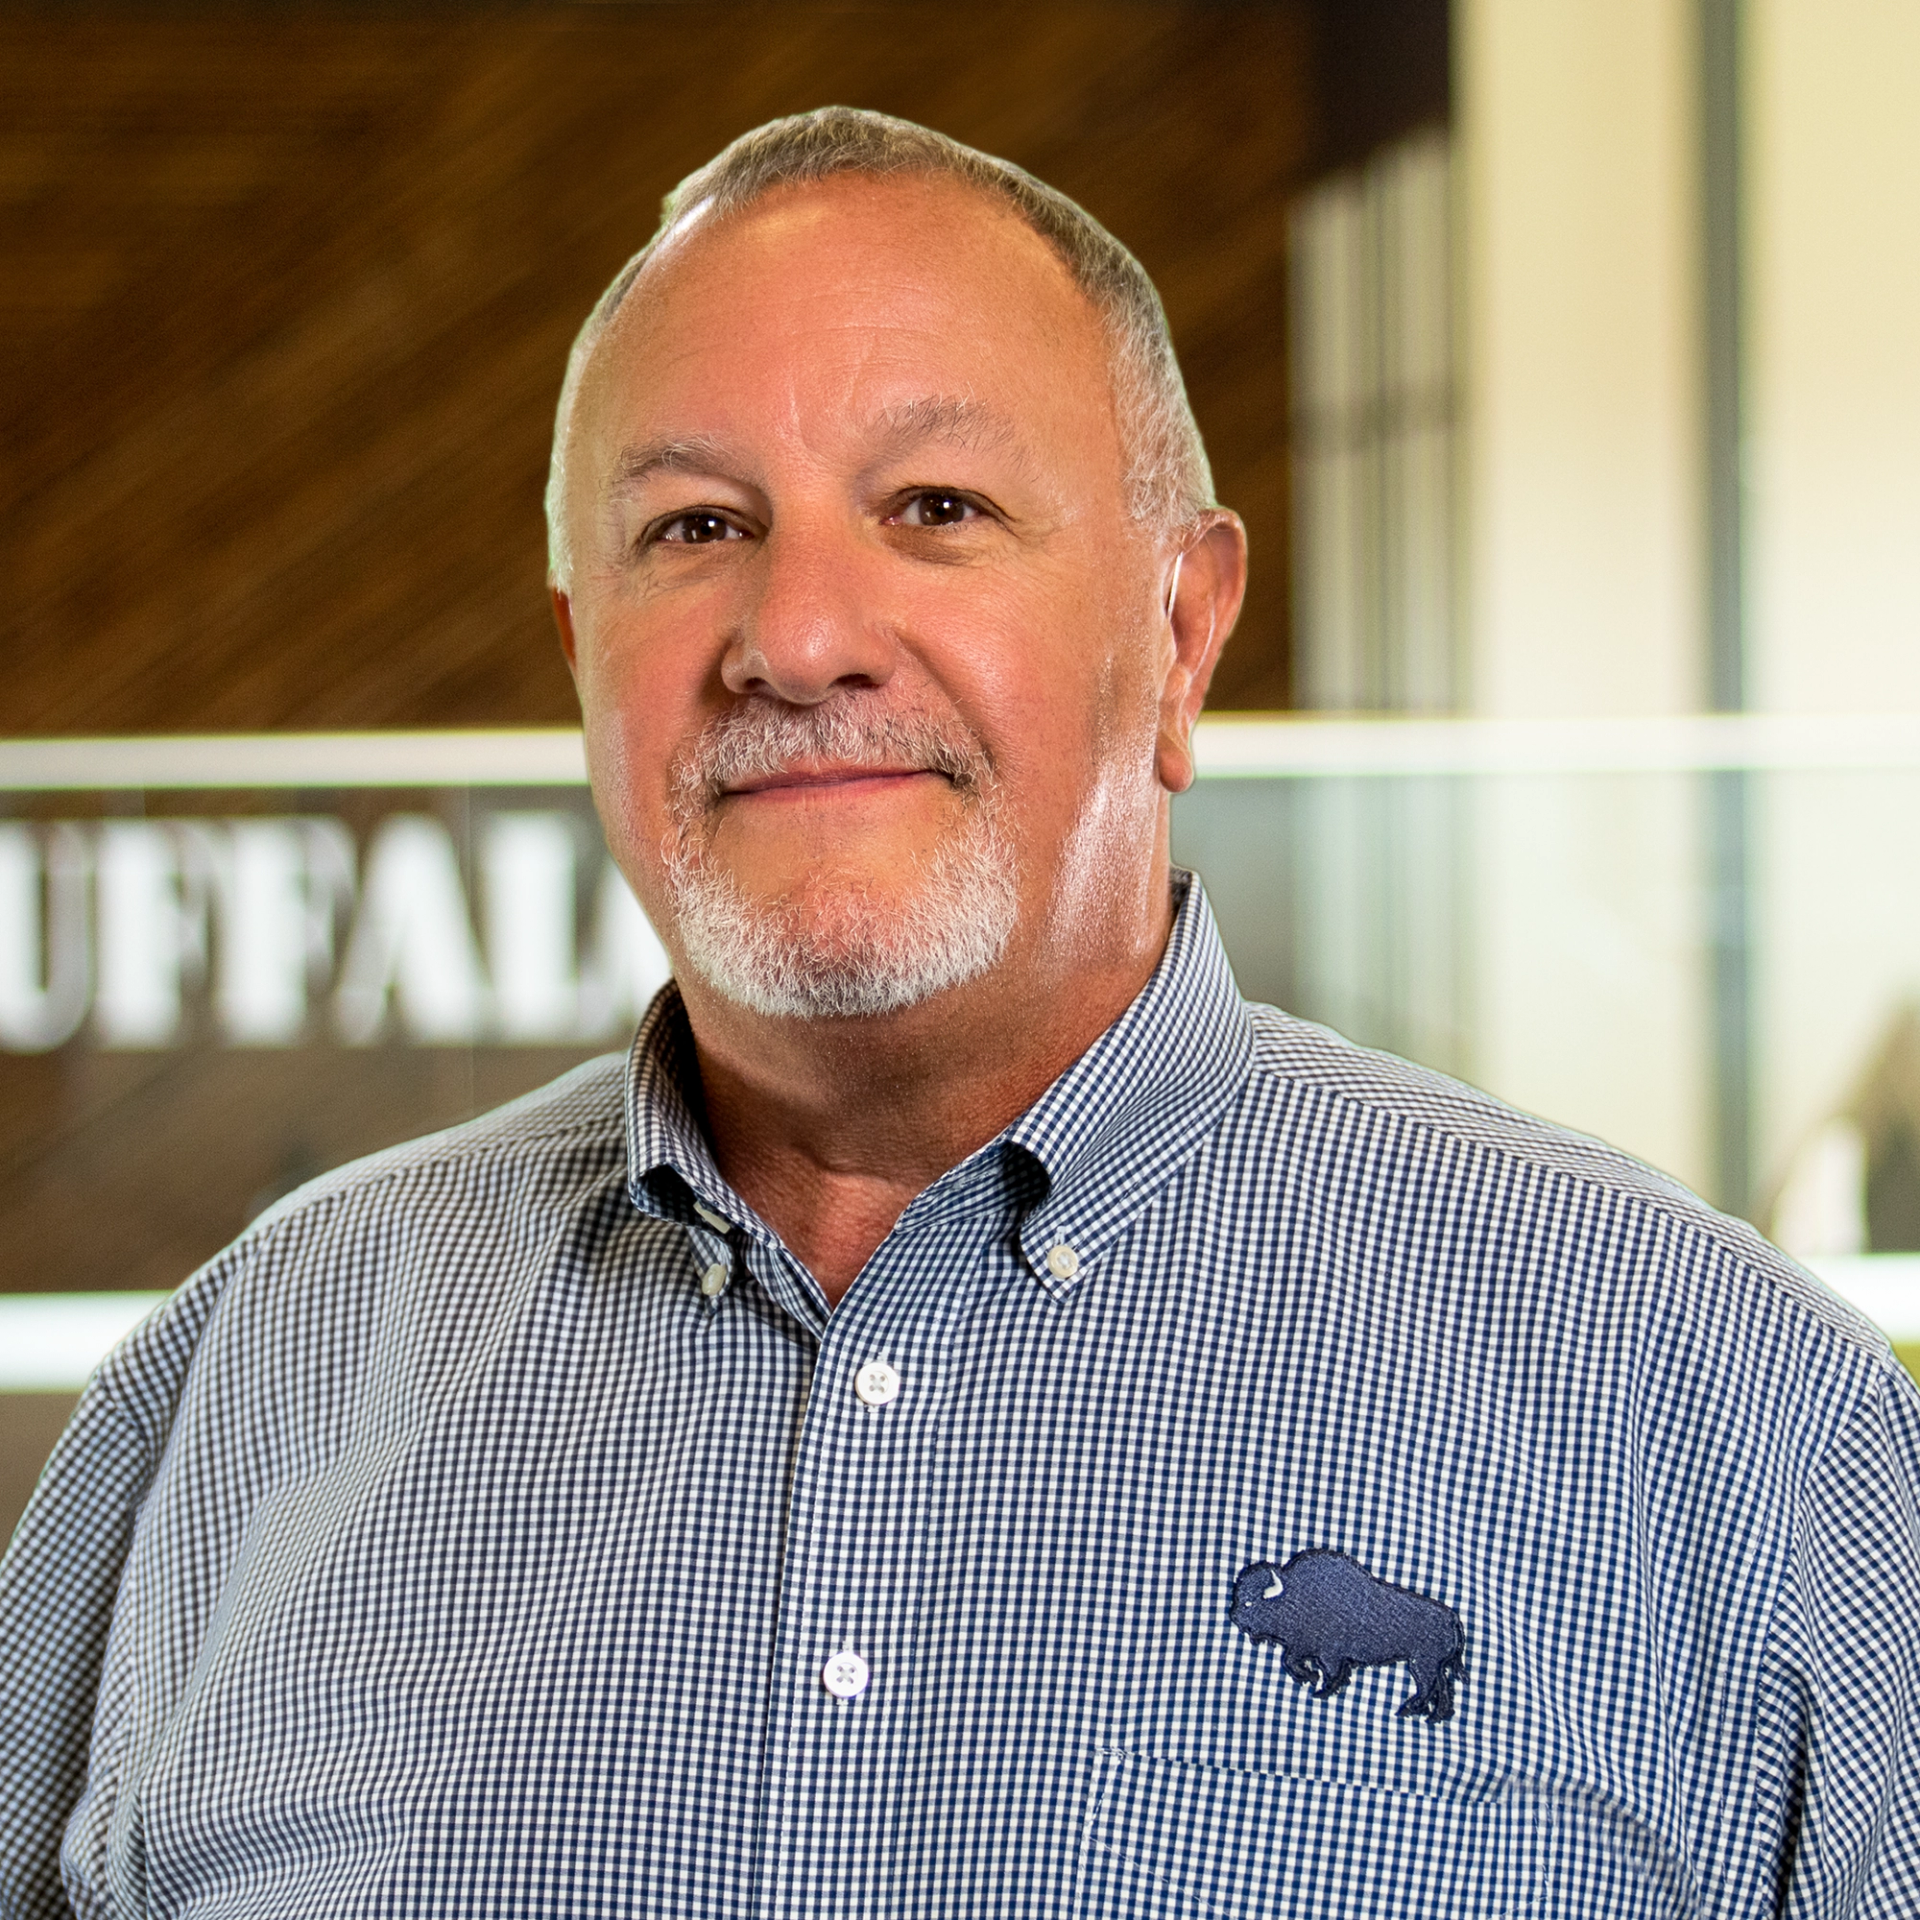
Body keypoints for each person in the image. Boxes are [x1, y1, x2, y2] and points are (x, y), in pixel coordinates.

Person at [3, 107, 1917, 1919]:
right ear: (587, 658)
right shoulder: (249, 1382)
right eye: (692, 528)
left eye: (934, 504)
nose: (799, 635)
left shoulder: (1722, 1414)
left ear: (1181, 633)